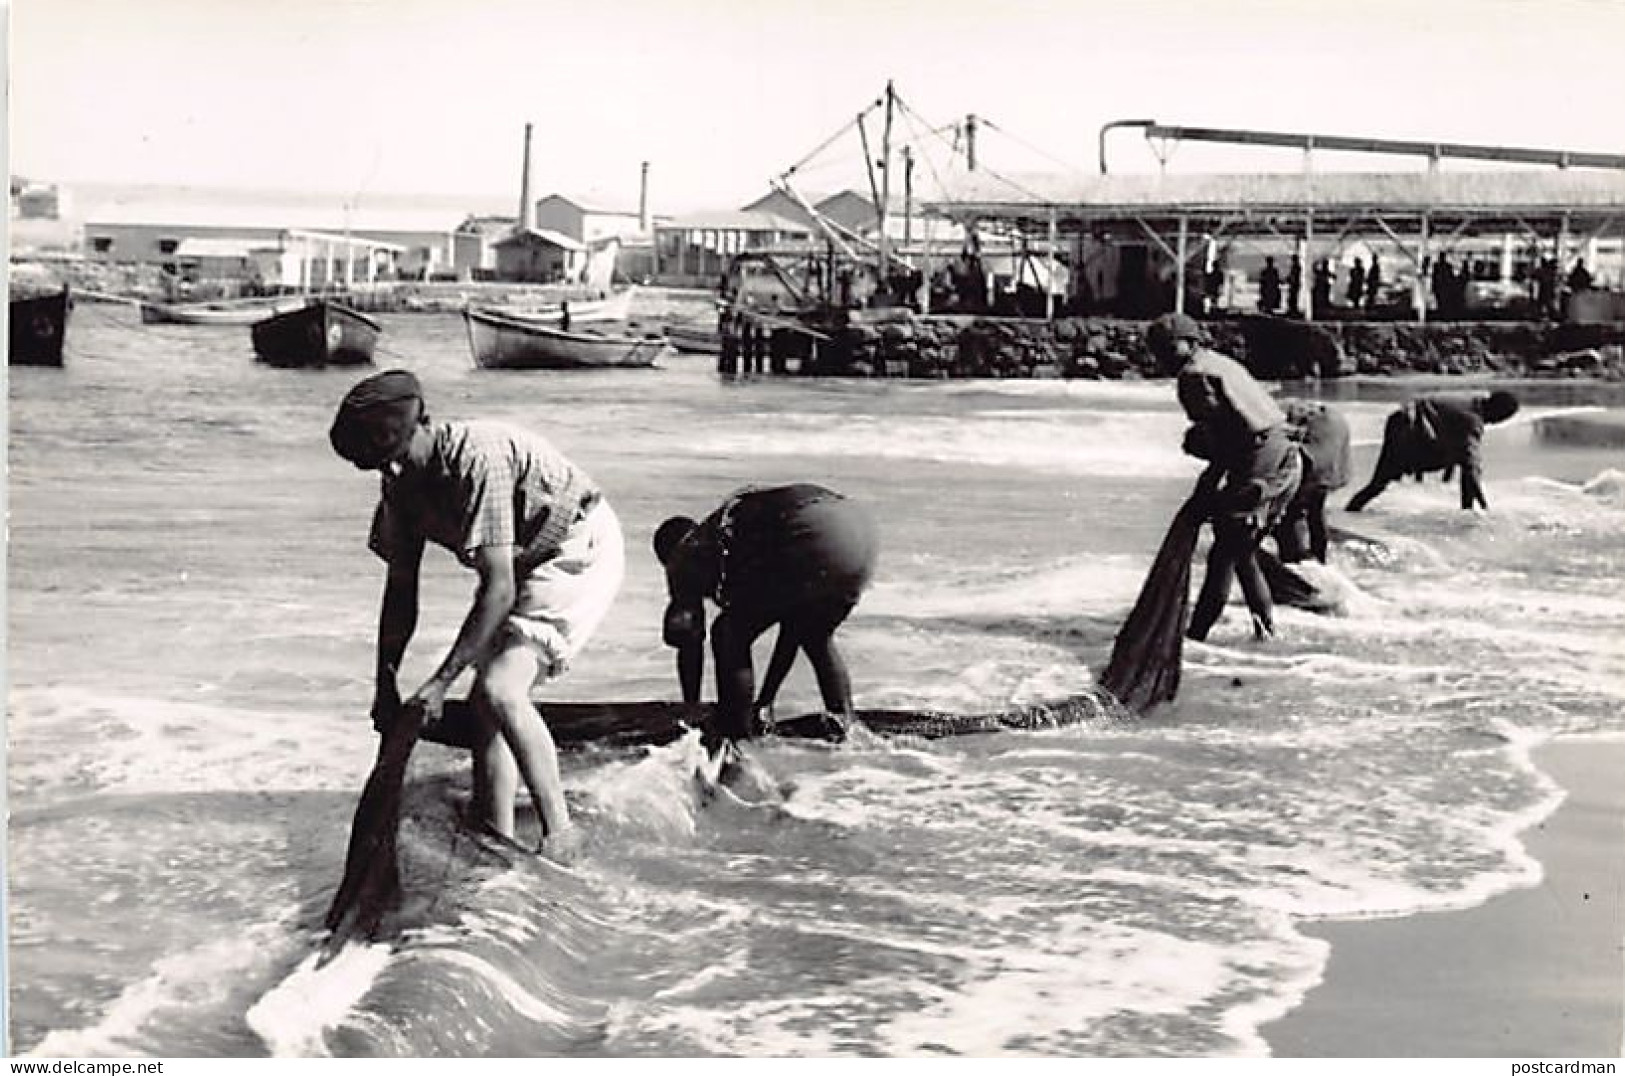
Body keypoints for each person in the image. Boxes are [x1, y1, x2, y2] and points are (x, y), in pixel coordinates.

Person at [328, 369, 625, 856]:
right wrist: (386, 683)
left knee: (500, 689)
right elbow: (401, 590)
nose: (394, 473)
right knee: (487, 706)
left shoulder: (478, 459)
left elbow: (498, 589)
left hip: (577, 547)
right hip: (524, 560)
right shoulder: (398, 486)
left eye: (400, 456)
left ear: (425, 423)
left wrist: (440, 683)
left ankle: (563, 837)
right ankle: (496, 836)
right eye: (381, 466)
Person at [654, 484, 879, 759]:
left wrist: (691, 709)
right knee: (815, 635)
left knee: (728, 633)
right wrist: (766, 700)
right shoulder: (735, 535)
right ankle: (846, 726)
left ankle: (737, 742)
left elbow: (686, 634)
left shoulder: (687, 549)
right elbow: (793, 624)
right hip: (858, 531)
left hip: (810, 525)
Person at [1147, 313, 1301, 642]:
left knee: (1224, 555)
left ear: (1190, 343)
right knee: (1241, 551)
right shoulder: (1217, 362)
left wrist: (1210, 482)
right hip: (1283, 455)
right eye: (1160, 349)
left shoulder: (1193, 375)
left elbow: (1218, 434)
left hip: (1263, 460)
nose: (1163, 356)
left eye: (1169, 348)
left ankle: (1196, 636)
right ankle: (1266, 630)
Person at [1345, 390, 1521, 512]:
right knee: (1379, 482)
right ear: (1499, 414)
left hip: (1403, 421)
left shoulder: (1470, 400)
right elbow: (1471, 466)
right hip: (1406, 428)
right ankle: (1467, 510)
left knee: (1378, 483)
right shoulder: (1472, 420)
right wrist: (1484, 506)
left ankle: (1352, 509)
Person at [1275, 401, 1352, 564]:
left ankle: (1292, 559)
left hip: (1313, 463)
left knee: (1293, 511)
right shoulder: (1329, 416)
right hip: (1328, 463)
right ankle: (1320, 558)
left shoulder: (1288, 416)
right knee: (1316, 509)